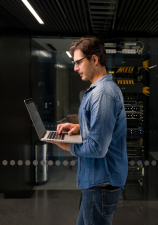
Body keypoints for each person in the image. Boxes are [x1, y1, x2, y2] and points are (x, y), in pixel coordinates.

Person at [47, 36, 128, 225]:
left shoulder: (103, 94)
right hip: (95, 181)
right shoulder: (98, 89)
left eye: (78, 62)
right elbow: (102, 129)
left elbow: (98, 148)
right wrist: (78, 127)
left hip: (101, 182)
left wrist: (66, 146)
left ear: (94, 59)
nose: (75, 68)